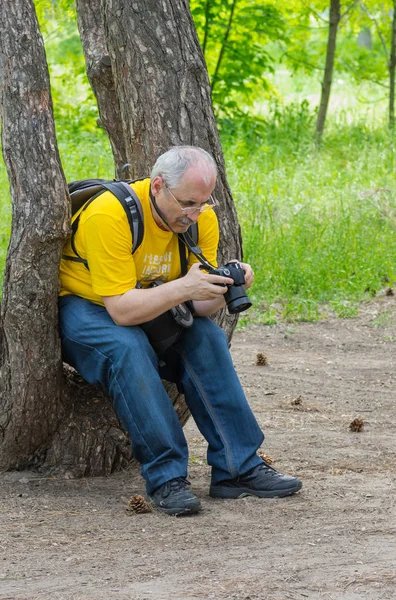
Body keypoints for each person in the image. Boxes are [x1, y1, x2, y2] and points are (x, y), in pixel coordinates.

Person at [59, 146, 302, 516]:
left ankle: (239, 468)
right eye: (188, 202)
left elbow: (199, 306)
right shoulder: (109, 214)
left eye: (204, 203)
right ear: (157, 186)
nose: (195, 213)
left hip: (149, 300)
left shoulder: (199, 218)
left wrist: (226, 286)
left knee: (205, 338)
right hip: (88, 303)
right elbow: (122, 310)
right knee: (128, 348)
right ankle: (167, 478)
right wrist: (184, 290)